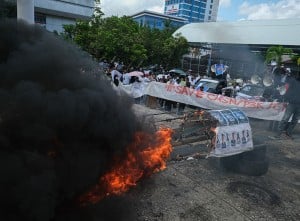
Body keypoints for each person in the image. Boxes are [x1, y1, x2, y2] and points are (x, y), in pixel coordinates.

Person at [274, 72, 300, 139]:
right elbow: (287, 89)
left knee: (295, 120)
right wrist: (286, 98)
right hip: (292, 103)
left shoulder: (293, 80)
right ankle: (278, 134)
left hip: (298, 105)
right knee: (285, 119)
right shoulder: (293, 81)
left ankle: (288, 133)